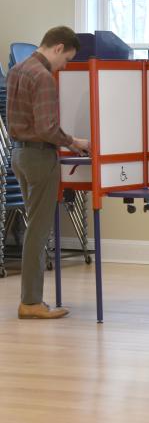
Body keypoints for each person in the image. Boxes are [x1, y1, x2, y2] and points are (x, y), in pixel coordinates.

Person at [7, 26, 89, 319]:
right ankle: (30, 302)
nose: (64, 66)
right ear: (57, 48)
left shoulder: (17, 69)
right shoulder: (43, 77)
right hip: (40, 158)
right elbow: (46, 128)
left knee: (34, 228)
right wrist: (74, 141)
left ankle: (31, 299)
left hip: (17, 154)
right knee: (39, 232)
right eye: (66, 59)